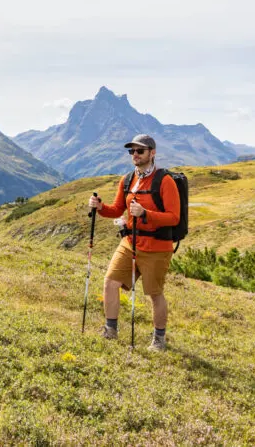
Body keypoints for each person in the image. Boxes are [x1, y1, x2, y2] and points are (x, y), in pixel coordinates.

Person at [87, 134, 180, 351]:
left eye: (140, 151)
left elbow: (174, 217)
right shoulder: (128, 180)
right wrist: (100, 207)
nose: (135, 155)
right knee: (110, 282)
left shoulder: (165, 181)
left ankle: (159, 340)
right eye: (132, 151)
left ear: (152, 153)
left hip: (157, 248)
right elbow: (117, 210)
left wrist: (146, 213)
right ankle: (110, 330)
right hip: (130, 243)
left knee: (154, 294)